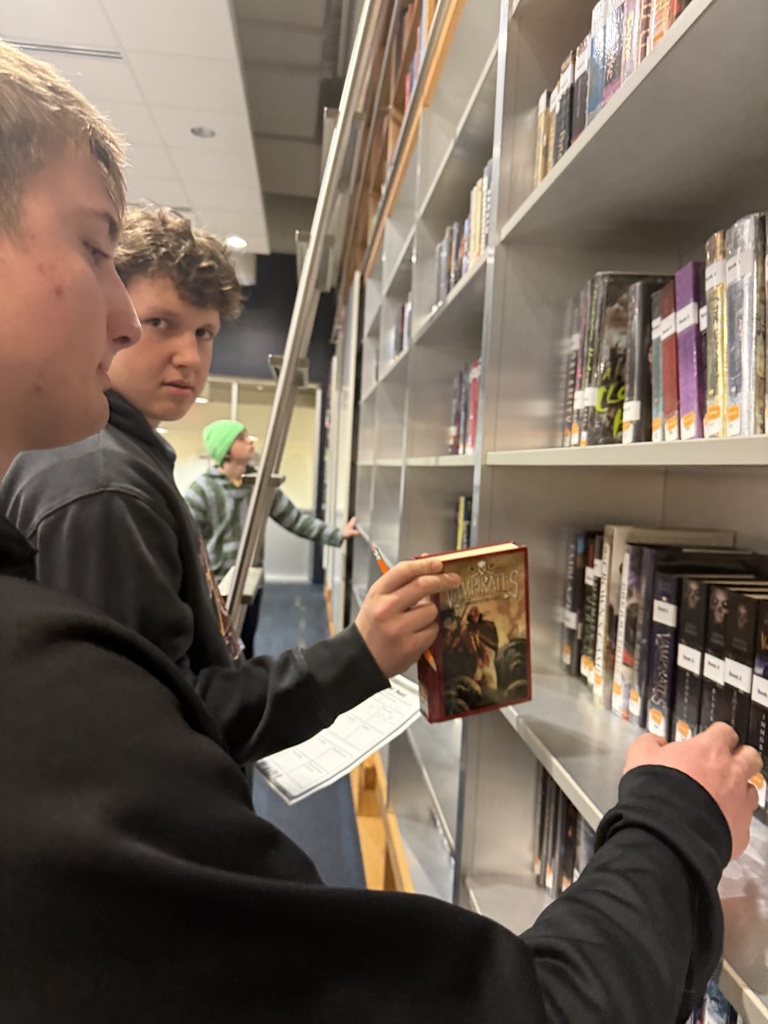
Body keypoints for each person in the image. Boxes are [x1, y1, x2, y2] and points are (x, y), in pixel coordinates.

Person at [0, 38, 762, 1024]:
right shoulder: (88, 525)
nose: (126, 322)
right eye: (97, 249)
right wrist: (674, 824)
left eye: (199, 329)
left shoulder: (112, 485)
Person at [0, 203, 428, 765]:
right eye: (161, 324)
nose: (189, 355)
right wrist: (358, 654)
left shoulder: (124, 457)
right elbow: (156, 724)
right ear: (111, 316)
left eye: (205, 333)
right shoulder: (105, 486)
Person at [185, 417, 359, 656]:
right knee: (216, 649)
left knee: (246, 642)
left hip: (251, 583)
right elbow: (188, 542)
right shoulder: (200, 491)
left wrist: (337, 534)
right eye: (241, 438)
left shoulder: (261, 485)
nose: (250, 441)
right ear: (225, 450)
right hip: (214, 588)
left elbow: (294, 519)